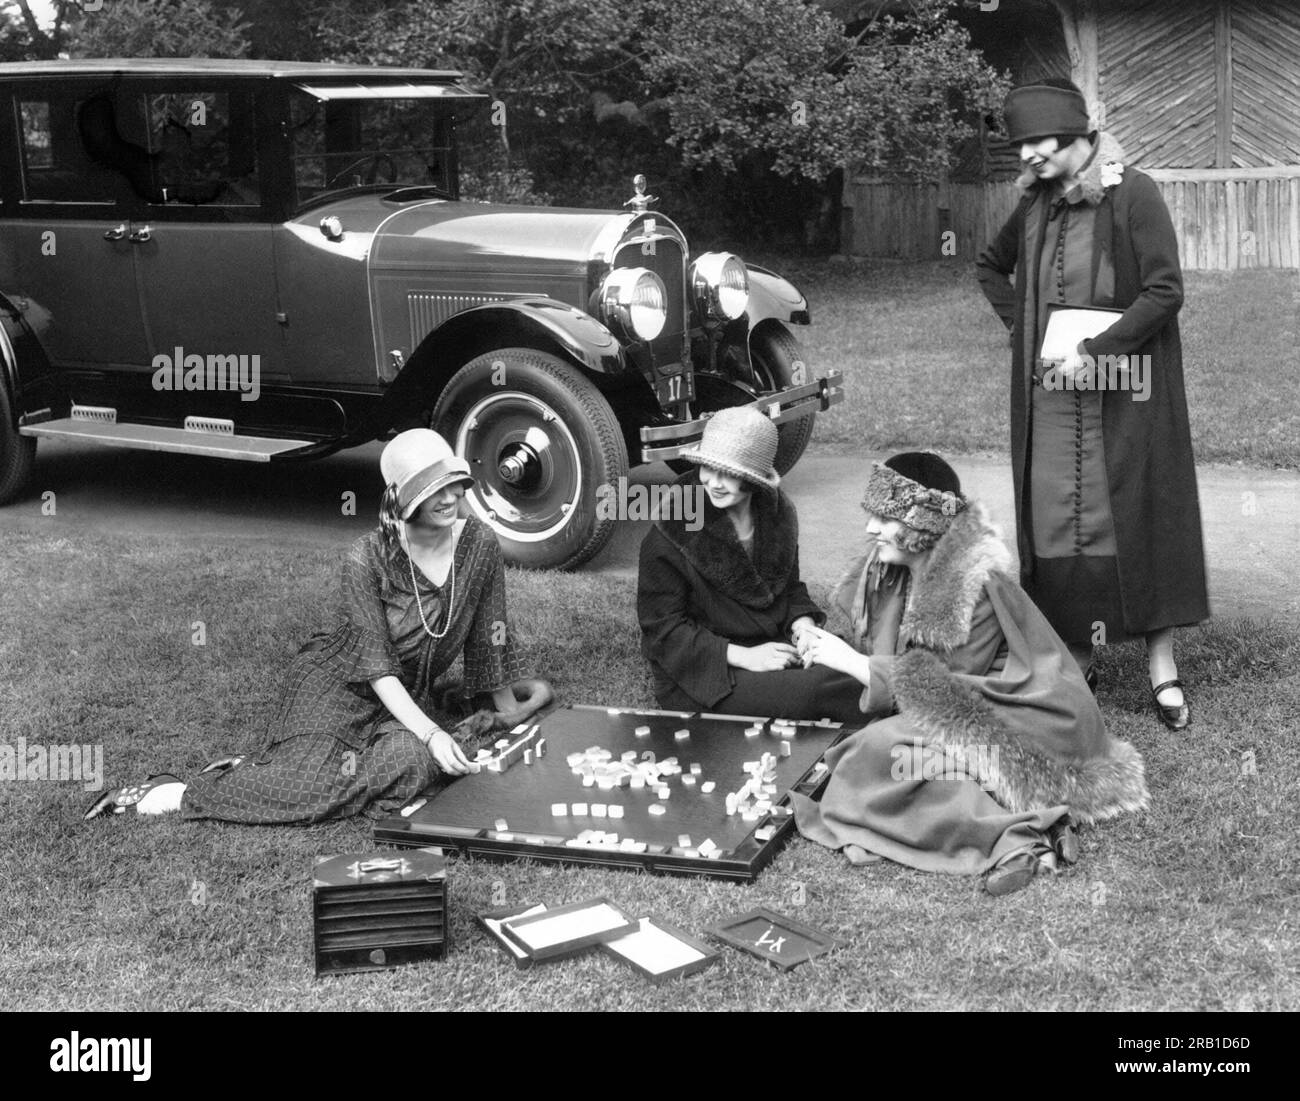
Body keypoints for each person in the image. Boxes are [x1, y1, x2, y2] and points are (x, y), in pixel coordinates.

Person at [86, 429, 552, 822]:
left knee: (413, 763)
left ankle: (263, 768)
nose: (451, 497)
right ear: (405, 497)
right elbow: (376, 668)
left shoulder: (479, 544)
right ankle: (176, 793)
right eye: (435, 489)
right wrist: (432, 731)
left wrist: (508, 718)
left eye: (455, 483)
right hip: (337, 685)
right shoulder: (366, 558)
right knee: (319, 781)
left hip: (404, 701)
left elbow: (490, 636)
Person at [792, 452, 1149, 896]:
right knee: (865, 760)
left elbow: (943, 693)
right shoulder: (893, 568)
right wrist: (821, 641)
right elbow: (879, 643)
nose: (870, 529)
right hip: (969, 705)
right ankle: (1033, 830)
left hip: (1027, 717)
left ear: (922, 525)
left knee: (875, 754)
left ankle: (1017, 839)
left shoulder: (970, 585)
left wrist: (853, 663)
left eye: (884, 518)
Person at [975, 78, 1210, 731]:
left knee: (1134, 515)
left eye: (1035, 143)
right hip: (1052, 400)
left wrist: (1098, 348)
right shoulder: (1033, 204)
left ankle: (1161, 665)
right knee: (1058, 522)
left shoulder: (1135, 193)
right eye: (1018, 145)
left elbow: (1165, 290)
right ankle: (1078, 652)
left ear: (1077, 135)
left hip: (1127, 390)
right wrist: (1022, 331)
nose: (1025, 156)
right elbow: (989, 267)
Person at [637, 405, 868, 724]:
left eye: (728, 473)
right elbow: (663, 630)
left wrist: (802, 626)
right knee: (817, 688)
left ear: (754, 477)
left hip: (770, 644)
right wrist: (746, 657)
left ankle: (891, 707)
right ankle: (897, 713)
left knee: (847, 661)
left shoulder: (777, 516)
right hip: (704, 670)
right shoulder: (672, 527)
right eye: (708, 467)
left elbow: (789, 589)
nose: (714, 482)